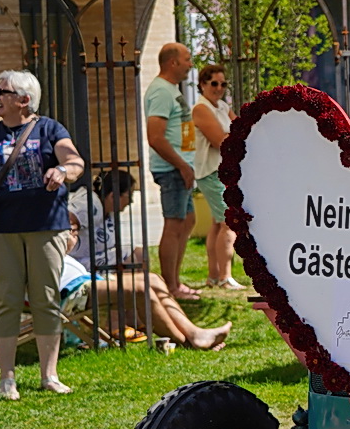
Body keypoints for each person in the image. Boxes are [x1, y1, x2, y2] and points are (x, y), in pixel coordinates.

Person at [0, 70, 85, 400]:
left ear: (24, 100)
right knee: (6, 301)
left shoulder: (50, 129)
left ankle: (49, 375)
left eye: (2, 92)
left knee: (46, 301)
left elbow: (75, 161)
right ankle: (6, 378)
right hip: (1, 230)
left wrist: (62, 170)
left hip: (46, 227)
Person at [68, 170, 232, 349]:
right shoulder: (87, 205)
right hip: (79, 269)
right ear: (113, 195)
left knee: (144, 265)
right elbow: (68, 222)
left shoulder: (106, 208)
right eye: (128, 195)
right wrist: (71, 232)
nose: (130, 201)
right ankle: (120, 325)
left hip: (93, 260)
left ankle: (181, 330)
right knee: (141, 286)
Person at [144, 43, 199, 300]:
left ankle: (175, 282)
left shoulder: (170, 91)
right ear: (173, 62)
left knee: (187, 221)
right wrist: (181, 165)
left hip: (182, 168)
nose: (191, 64)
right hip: (173, 169)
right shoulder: (161, 92)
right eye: (187, 59)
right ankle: (171, 287)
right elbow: (155, 137)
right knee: (174, 223)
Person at [190, 64, 240, 289]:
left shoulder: (220, 106)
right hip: (212, 172)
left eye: (223, 84)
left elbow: (241, 129)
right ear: (202, 84)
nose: (218, 88)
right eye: (214, 84)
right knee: (229, 223)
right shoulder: (201, 108)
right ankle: (224, 277)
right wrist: (234, 137)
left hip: (221, 171)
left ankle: (214, 276)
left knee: (217, 224)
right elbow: (221, 141)